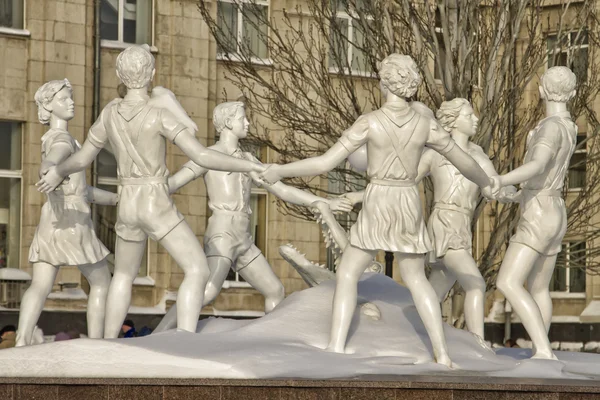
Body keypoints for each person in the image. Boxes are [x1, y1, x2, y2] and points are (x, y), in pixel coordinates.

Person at [259, 54, 498, 366]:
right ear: (410, 84)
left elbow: (324, 163)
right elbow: (463, 161)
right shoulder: (425, 125)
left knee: (347, 272)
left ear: (385, 82)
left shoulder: (369, 122)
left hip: (378, 197)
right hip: (408, 201)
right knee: (417, 279)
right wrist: (486, 180)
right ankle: (441, 354)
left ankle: (336, 345)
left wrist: (280, 170)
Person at [36, 45, 268, 337]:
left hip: (128, 203)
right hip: (155, 200)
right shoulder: (159, 114)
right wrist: (248, 166)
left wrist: (58, 170)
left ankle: (109, 344)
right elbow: (202, 156)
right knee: (197, 269)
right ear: (152, 74)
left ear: (120, 75)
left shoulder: (109, 113)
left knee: (122, 274)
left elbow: (82, 160)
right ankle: (185, 340)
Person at [155, 102, 352, 331]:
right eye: (242, 119)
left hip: (244, 237)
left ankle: (265, 339)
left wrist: (323, 203)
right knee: (207, 290)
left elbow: (282, 190)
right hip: (222, 234)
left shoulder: (248, 160)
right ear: (228, 123)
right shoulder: (208, 157)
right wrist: (147, 188)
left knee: (275, 290)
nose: (247, 123)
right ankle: (160, 333)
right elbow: (176, 182)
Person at [16, 79, 116, 347]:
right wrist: (49, 166)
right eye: (64, 99)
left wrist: (116, 198)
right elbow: (54, 160)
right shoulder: (62, 139)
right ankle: (97, 342)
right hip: (73, 221)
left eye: (71, 97)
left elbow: (82, 189)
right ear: (48, 106)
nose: (71, 102)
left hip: (53, 219)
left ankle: (22, 340)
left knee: (40, 285)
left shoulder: (53, 138)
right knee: (102, 281)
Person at [493, 66, 578, 360]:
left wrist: (502, 179)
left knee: (507, 282)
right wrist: (517, 196)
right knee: (539, 288)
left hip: (539, 213)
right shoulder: (569, 127)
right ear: (574, 94)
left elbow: (539, 165)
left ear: (541, 91)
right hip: (554, 208)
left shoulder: (550, 127)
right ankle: (540, 350)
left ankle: (542, 350)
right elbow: (547, 178)